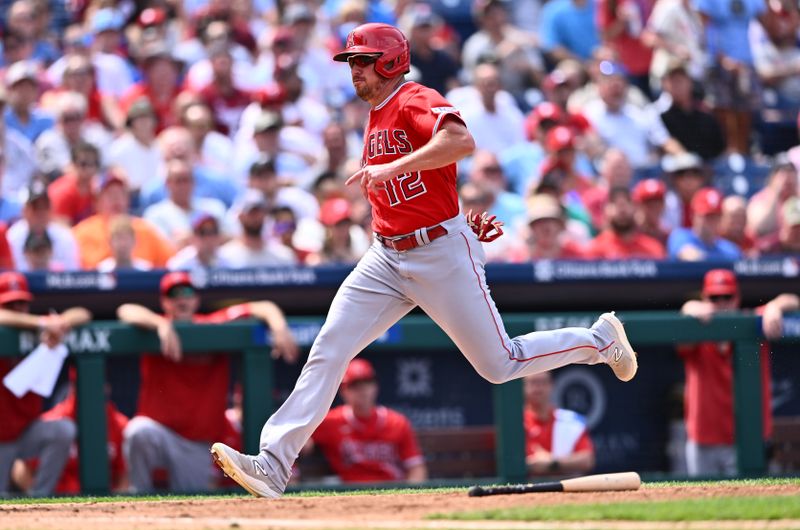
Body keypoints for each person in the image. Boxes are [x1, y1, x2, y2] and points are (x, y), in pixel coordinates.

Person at [210, 23, 638, 499]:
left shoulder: (413, 96)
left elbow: (461, 142)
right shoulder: (375, 112)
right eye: (351, 61)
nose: (354, 70)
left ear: (390, 61)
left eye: (362, 61)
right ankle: (273, 462)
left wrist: (405, 177)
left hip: (438, 252)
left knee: (500, 363)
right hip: (386, 257)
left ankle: (598, 340)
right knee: (329, 349)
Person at [118, 271, 299, 493]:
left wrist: (278, 326)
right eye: (174, 295)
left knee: (192, 502)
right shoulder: (155, 327)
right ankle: (140, 494)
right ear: (165, 302)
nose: (181, 300)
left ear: (195, 300)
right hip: (159, 433)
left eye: (187, 293)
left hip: (196, 443)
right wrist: (160, 325)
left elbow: (262, 307)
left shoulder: (212, 324)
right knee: (138, 431)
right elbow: (126, 310)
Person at [678, 269, 799, 476]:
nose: (722, 303)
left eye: (727, 297)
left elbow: (793, 300)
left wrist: (774, 306)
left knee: (757, 503)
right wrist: (689, 308)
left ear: (737, 298)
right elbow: (683, 340)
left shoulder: (751, 321)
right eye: (715, 298)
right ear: (705, 298)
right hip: (703, 439)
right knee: (702, 504)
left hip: (747, 439)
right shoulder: (698, 327)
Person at [0, 271, 90, 496]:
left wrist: (59, 324)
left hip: (25, 431)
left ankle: (40, 497)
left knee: (62, 429)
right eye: (11, 304)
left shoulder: (40, 331)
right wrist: (42, 323)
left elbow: (83, 312)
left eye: (22, 303)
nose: (18, 309)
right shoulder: (36, 325)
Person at [307, 358, 427, 483]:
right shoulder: (330, 422)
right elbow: (299, 442)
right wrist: (305, 442)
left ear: (375, 386)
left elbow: (416, 468)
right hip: (353, 494)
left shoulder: (397, 422)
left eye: (367, 383)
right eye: (355, 386)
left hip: (391, 490)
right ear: (343, 391)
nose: (363, 391)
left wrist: (408, 496)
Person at [523, 372, 595, 476]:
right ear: (523, 387)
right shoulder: (515, 422)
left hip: (562, 486)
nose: (538, 387)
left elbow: (587, 460)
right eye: (533, 382)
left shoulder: (570, 420)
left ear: (551, 385)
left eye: (542, 382)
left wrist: (552, 462)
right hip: (526, 487)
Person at [667, 187, 743, 261]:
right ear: (693, 216)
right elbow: (690, 257)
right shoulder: (680, 236)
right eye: (707, 216)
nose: (711, 222)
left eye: (716, 216)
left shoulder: (729, 249)